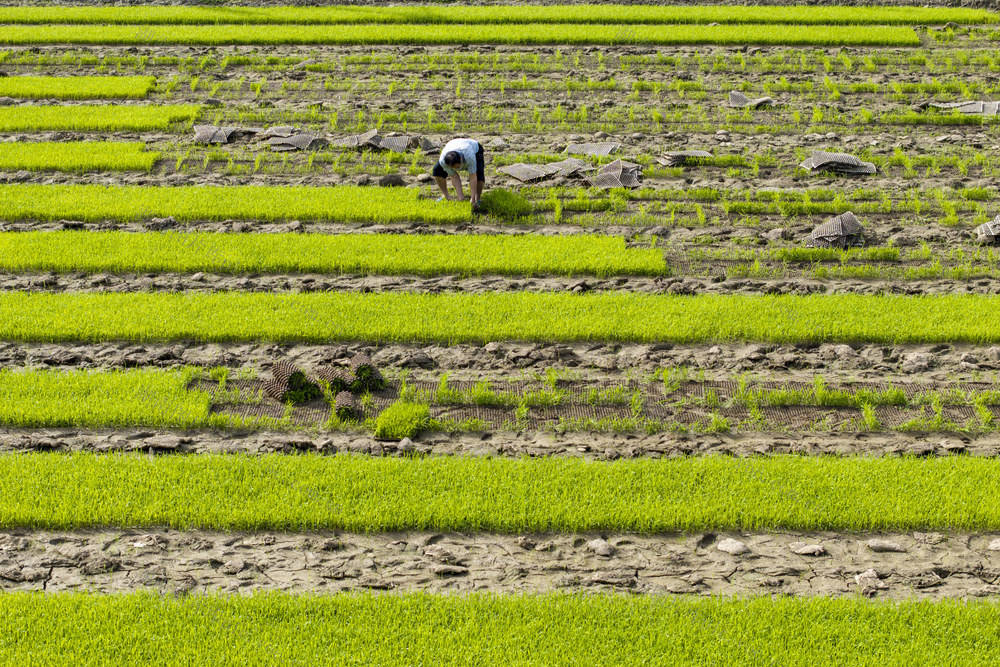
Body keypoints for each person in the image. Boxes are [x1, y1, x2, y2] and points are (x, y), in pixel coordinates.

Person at [433, 138, 485, 210]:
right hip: (452, 145)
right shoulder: (443, 161)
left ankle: (477, 199)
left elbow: (472, 175)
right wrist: (461, 198)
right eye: (455, 168)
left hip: (475, 149)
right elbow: (454, 176)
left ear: (461, 159)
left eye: (458, 166)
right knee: (436, 170)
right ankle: (446, 197)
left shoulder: (469, 156)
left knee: (479, 172)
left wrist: (472, 199)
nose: (458, 169)